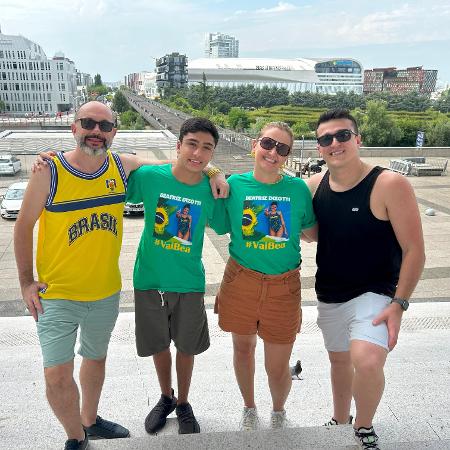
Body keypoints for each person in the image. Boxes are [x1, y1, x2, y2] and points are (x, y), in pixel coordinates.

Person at [14, 102, 228, 450]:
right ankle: (79, 435)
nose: (96, 131)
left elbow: (186, 168)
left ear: (114, 131)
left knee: (99, 358)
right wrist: (26, 281)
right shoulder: (50, 170)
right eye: (88, 123)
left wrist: (214, 170)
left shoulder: (124, 166)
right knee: (58, 372)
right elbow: (23, 226)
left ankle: (97, 419)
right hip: (64, 291)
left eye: (105, 125)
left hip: (112, 291)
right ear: (74, 127)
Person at [309, 109, 425, 449]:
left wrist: (399, 304)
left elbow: (414, 250)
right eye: (326, 139)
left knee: (368, 360)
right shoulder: (315, 186)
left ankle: (363, 426)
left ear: (358, 139)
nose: (335, 143)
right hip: (330, 292)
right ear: (319, 148)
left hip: (376, 292)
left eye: (343, 135)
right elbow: (314, 230)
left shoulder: (389, 184)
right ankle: (340, 417)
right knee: (339, 359)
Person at [126, 118, 227, 435]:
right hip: (149, 280)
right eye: (192, 144)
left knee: (186, 348)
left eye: (207, 148)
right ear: (179, 145)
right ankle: (165, 396)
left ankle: (183, 402)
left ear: (212, 154)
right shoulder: (150, 177)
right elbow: (118, 164)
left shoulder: (211, 190)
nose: (198, 153)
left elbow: (226, 226)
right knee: (158, 345)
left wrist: (216, 174)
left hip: (188, 282)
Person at [215, 122, 317, 430]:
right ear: (255, 144)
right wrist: (212, 172)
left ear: (287, 156)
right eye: (268, 144)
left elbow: (312, 232)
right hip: (241, 280)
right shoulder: (234, 186)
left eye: (282, 149)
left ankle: (278, 410)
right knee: (243, 349)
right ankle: (249, 407)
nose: (273, 153)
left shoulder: (297, 189)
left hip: (283, 287)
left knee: (276, 367)